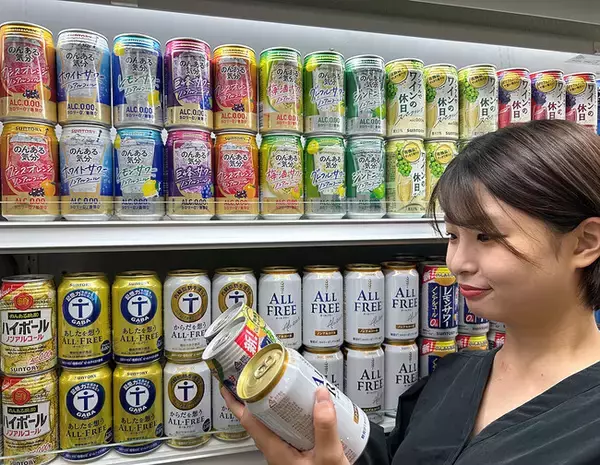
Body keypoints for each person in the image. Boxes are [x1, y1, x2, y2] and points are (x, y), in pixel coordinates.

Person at [222, 119, 600, 465]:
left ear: (585, 242)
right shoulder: (451, 378)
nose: (458, 262)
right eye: (453, 236)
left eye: (486, 236)